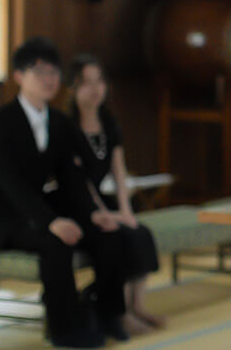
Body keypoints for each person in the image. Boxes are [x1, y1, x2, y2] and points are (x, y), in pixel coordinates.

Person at [0, 37, 129, 349]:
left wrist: (92, 213)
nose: (49, 79)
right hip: (2, 219)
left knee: (107, 233)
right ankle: (65, 329)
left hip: (37, 210)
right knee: (55, 241)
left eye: (54, 72)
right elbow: (11, 186)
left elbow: (71, 178)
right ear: (19, 76)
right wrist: (51, 221)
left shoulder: (58, 122)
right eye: (40, 71)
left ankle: (108, 313)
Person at [67, 54, 164, 334]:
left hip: (101, 199)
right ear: (72, 87)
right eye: (86, 83)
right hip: (78, 204)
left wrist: (126, 211)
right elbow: (79, 182)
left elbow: (120, 172)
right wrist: (107, 214)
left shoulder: (109, 122)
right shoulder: (67, 127)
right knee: (118, 237)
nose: (95, 88)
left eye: (99, 81)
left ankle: (138, 306)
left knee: (140, 232)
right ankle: (119, 311)